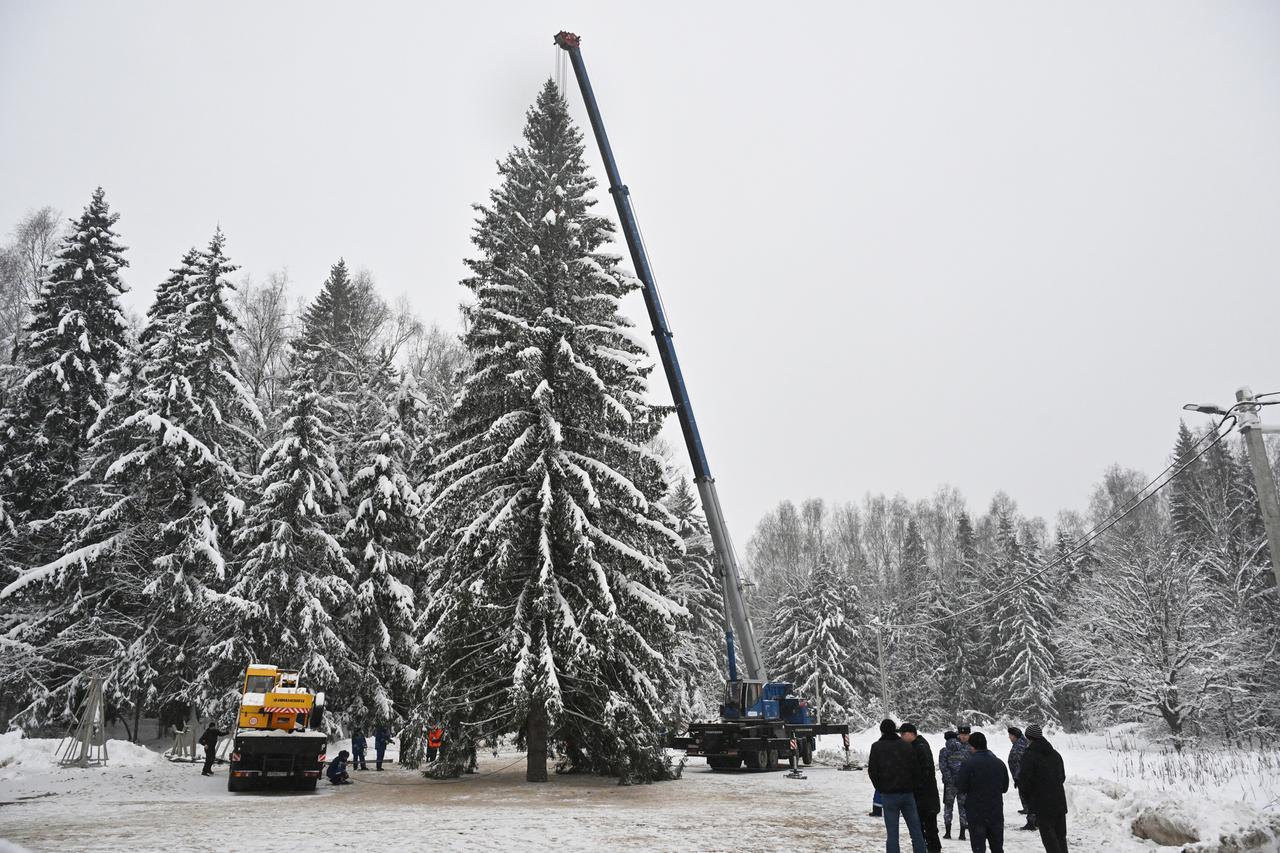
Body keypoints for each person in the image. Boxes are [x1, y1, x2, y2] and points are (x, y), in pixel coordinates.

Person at [867, 718, 927, 853]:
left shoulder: (876, 747)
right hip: (907, 793)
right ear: (895, 730)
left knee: (892, 834)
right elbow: (916, 770)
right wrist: (912, 786)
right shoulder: (906, 746)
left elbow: (872, 771)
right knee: (916, 830)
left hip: (888, 795)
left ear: (882, 731)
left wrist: (881, 788)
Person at [1017, 724, 1069, 853]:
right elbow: (1062, 777)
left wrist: (1029, 800)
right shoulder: (1055, 754)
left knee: (1049, 839)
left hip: (1042, 803)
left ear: (1028, 738)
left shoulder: (1029, 756)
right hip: (1059, 801)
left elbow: (1024, 782)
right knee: (1060, 837)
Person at [955, 732, 1009, 853]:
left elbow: (961, 787)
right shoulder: (999, 763)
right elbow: (1004, 788)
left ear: (971, 746)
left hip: (976, 811)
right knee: (997, 847)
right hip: (995, 810)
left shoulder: (968, 764)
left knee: (978, 848)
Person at [899, 723, 943, 853]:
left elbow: (925, 771)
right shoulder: (917, 745)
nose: (901, 737)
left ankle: (933, 850)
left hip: (925, 796)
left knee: (929, 829)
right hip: (925, 796)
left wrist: (914, 784)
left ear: (911, 733)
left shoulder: (920, 746)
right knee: (926, 828)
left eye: (903, 734)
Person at [939, 730, 970, 840]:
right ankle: (962, 833)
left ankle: (948, 833)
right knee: (963, 807)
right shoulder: (964, 750)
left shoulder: (944, 751)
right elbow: (967, 766)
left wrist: (949, 779)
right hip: (962, 784)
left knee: (948, 807)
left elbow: (943, 767)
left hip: (949, 785)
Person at [1007, 726, 1033, 830]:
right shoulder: (1020, 743)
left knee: (1027, 795)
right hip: (1020, 775)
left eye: (1010, 735)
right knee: (1024, 794)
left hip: (1022, 776)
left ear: (1014, 736)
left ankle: (1032, 821)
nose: (1009, 737)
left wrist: (1018, 776)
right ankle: (1027, 809)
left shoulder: (1020, 746)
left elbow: (1020, 763)